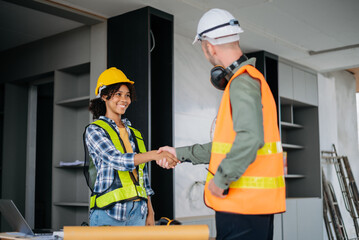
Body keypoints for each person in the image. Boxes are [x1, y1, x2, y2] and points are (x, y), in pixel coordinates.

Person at [157, 8, 286, 240]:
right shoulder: (248, 79)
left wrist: (221, 179)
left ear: (209, 46)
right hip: (250, 207)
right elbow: (224, 146)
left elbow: (250, 138)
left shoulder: (242, 82)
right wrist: (179, 152)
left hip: (242, 205)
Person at [84, 67, 179, 227]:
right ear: (104, 96)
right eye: (118, 94)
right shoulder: (95, 130)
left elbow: (143, 176)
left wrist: (150, 211)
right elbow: (116, 160)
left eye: (127, 95)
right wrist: (155, 154)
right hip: (109, 213)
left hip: (138, 214)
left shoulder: (134, 133)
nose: (125, 99)